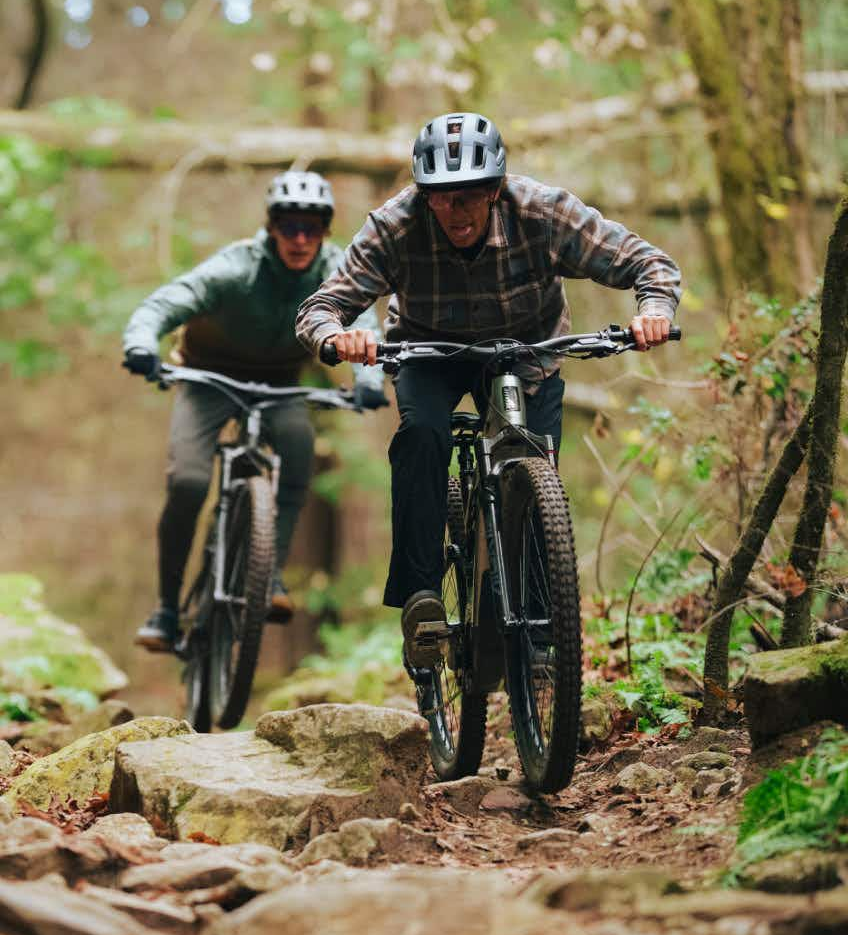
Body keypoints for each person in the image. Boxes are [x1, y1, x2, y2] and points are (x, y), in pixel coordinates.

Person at [295, 112, 681, 680]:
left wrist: (653, 310)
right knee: (422, 435)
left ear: (495, 189)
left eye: (468, 196)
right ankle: (423, 600)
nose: (455, 211)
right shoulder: (395, 226)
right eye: (440, 197)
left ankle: (544, 635)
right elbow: (320, 307)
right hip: (430, 353)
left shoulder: (543, 212)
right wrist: (337, 336)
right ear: (424, 195)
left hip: (526, 353)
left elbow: (647, 262)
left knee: (532, 462)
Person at [123, 170, 387, 652]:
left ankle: (268, 576)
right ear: (272, 227)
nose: (300, 239)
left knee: (299, 450)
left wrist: (368, 382)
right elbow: (165, 303)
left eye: (312, 227)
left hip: (279, 383)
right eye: (289, 226)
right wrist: (141, 344)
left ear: (326, 230)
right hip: (208, 378)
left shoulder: (334, 272)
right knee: (188, 482)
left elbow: (363, 322)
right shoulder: (236, 267)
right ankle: (166, 609)